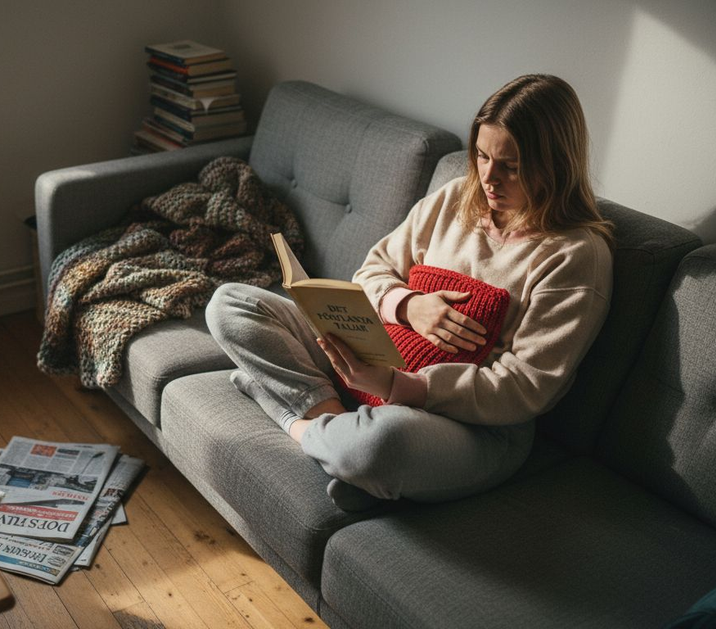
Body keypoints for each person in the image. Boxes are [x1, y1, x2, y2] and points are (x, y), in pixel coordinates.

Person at [205, 74, 614, 511]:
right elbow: (372, 270)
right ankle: (339, 429)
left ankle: (299, 423)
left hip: (474, 425)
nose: (489, 178)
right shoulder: (455, 199)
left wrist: (399, 385)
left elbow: (524, 387)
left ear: (555, 164)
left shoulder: (575, 256)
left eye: (511, 166)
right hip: (381, 358)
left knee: (382, 444)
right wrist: (408, 306)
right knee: (232, 304)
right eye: (481, 156)